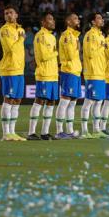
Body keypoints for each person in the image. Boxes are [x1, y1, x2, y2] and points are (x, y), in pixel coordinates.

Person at [28, 12, 60, 140]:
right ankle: (31, 132)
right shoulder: (40, 36)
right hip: (44, 74)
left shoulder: (51, 37)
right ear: (43, 22)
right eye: (49, 19)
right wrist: (56, 52)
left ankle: (45, 132)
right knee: (40, 101)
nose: (53, 21)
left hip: (53, 74)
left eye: (53, 19)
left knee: (51, 102)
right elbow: (43, 56)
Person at [0, 6, 26, 141]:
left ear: (16, 14)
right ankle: (6, 133)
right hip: (9, 69)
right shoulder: (4, 30)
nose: (8, 15)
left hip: (19, 69)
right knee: (8, 99)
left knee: (17, 100)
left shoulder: (20, 30)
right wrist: (21, 39)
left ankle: (13, 132)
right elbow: (11, 49)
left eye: (11, 12)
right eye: (6, 13)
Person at [80, 13, 109, 138]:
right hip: (92, 72)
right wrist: (102, 47)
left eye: (102, 18)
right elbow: (91, 54)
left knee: (98, 102)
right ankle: (84, 131)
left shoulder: (101, 36)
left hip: (101, 73)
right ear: (92, 21)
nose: (102, 20)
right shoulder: (90, 35)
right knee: (89, 102)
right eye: (99, 18)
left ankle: (96, 130)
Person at [57, 13, 83, 138]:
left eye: (77, 18)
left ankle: (70, 131)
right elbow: (70, 55)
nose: (78, 20)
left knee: (72, 102)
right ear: (68, 22)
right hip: (68, 71)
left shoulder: (75, 36)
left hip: (76, 71)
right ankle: (59, 131)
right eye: (75, 18)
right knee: (65, 101)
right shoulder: (67, 36)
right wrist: (77, 47)